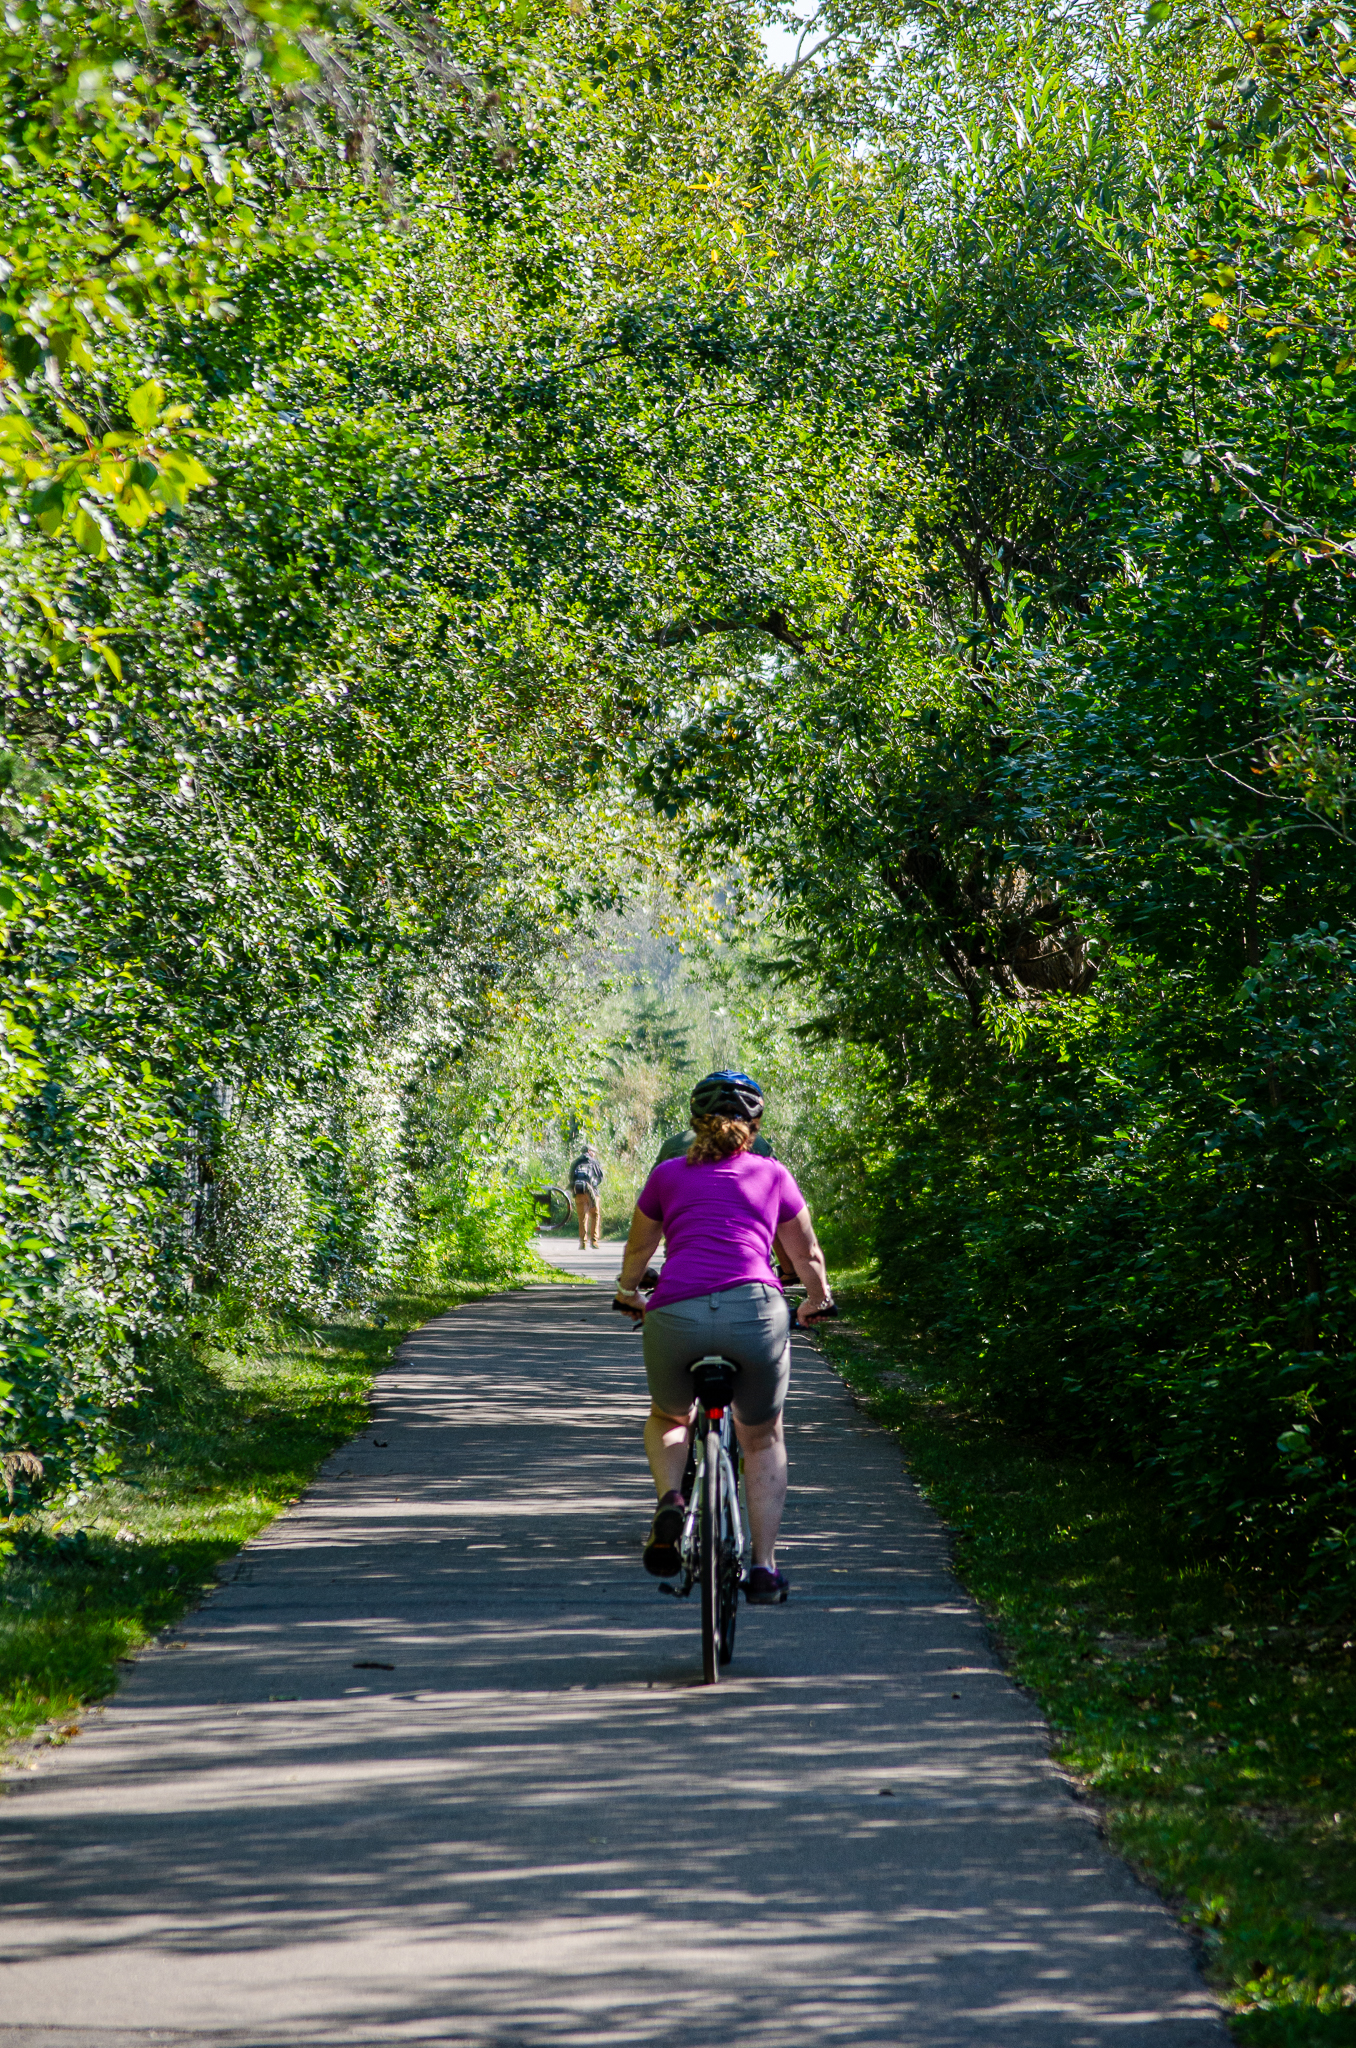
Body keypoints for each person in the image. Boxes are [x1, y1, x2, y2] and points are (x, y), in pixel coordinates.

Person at [613, 1070, 833, 1605]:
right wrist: (817, 1300)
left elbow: (638, 1254)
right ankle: (762, 1567)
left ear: (693, 1123)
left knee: (670, 1417)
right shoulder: (773, 1175)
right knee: (761, 1437)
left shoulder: (666, 1175)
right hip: (755, 1315)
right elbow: (806, 1257)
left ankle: (671, 1500)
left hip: (676, 1315)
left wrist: (627, 1293)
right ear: (755, 1125)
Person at [568, 1142, 604, 1249]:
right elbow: (600, 1177)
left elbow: (571, 1178)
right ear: (589, 1151)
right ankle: (594, 1241)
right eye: (593, 1152)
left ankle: (583, 1243)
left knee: (582, 1217)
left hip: (579, 1191)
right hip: (592, 1192)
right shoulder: (594, 1162)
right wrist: (593, 1187)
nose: (594, 1154)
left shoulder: (575, 1163)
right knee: (595, 1215)